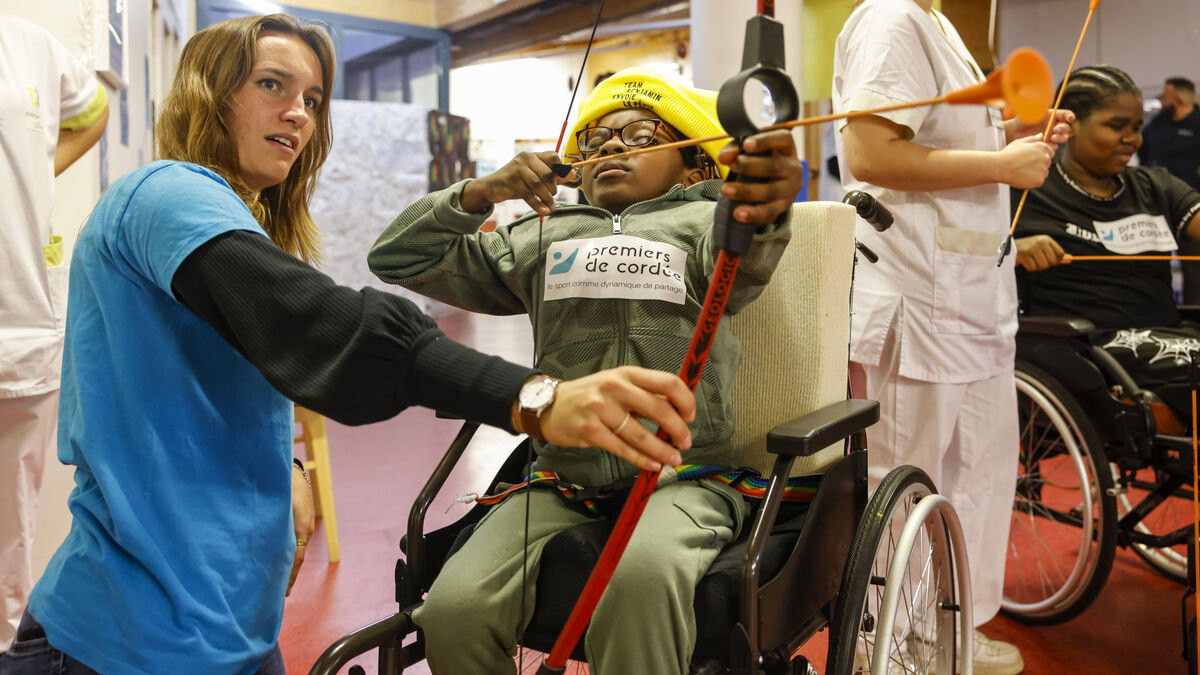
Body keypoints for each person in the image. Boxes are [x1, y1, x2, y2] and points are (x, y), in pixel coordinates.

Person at [0, 16, 699, 675]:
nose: (300, 111)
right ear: (209, 95)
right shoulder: (165, 194)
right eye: (272, 84)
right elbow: (320, 322)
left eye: (312, 97)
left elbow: (245, 364)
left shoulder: (224, 216)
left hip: (225, 632)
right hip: (122, 643)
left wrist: (293, 465)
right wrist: (531, 397)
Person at [368, 67, 805, 675]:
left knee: (643, 578)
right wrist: (480, 192)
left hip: (684, 476)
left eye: (640, 134)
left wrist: (763, 197)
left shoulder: (708, 224)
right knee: (452, 607)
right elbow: (396, 257)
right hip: (560, 479)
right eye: (595, 141)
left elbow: (750, 247)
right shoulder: (543, 235)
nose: (609, 147)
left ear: (696, 167)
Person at [832, 1, 1071, 672]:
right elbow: (870, 152)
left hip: (971, 299)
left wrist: (1014, 137)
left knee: (977, 474)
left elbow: (938, 141)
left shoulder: (940, 28)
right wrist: (1003, 165)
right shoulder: (892, 18)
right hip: (919, 299)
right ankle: (886, 646)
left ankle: (948, 628)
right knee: (903, 483)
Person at [0, 14, 108, 654]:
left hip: (18, 324)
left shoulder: (30, 45)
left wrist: (36, 179)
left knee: (11, 533)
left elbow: (90, 112)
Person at [1015, 65, 1200, 422]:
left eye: (1135, 128)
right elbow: (966, 251)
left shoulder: (1155, 186)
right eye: (1117, 127)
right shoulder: (1028, 190)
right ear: (1069, 126)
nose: (1133, 139)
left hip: (1171, 337)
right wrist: (1014, 251)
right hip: (1089, 351)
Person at [1137, 77, 1200, 302]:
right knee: (1151, 264)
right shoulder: (1159, 123)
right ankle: (1157, 310)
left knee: (1194, 270)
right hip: (1155, 205)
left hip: (1190, 206)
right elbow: (1142, 148)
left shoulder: (1198, 122)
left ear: (1180, 98)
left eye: (1166, 97)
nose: (1162, 101)